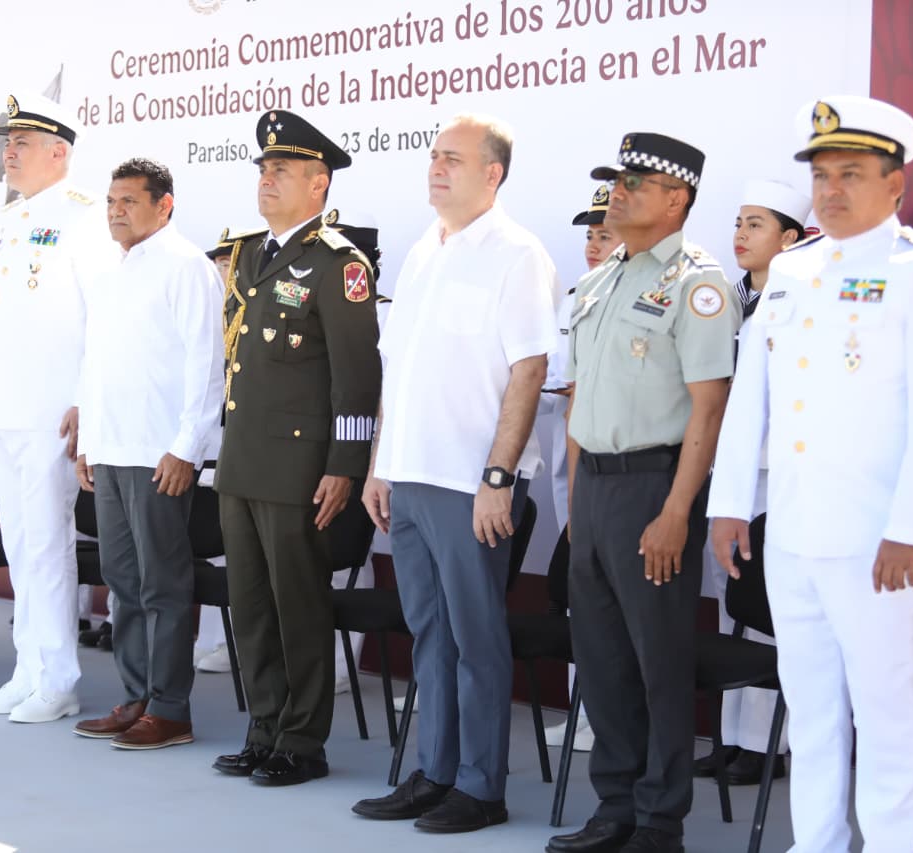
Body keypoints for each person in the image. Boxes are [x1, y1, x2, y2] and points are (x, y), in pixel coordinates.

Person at [709, 96, 913, 852]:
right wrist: (730, 504)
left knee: (887, 709)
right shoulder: (794, 270)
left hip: (876, 544)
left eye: (852, 174)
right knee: (812, 707)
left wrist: (908, 527)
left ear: (897, 186)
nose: (830, 190)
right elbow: (750, 399)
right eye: (823, 174)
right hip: (794, 535)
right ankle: (818, 842)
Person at [351, 113, 558, 833]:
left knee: (475, 637)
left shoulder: (517, 253)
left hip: (472, 482)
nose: (436, 168)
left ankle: (480, 784)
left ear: (493, 173)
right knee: (428, 634)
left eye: (454, 159)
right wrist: (381, 466)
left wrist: (499, 477)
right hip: (408, 476)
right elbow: (396, 370)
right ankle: (433, 771)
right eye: (433, 156)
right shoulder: (420, 253)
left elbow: (530, 368)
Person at [549, 132, 740, 853]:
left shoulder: (697, 283)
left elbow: (709, 407)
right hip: (595, 491)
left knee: (657, 657)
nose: (618, 191)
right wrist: (573, 502)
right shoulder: (598, 280)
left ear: (675, 199)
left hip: (655, 488)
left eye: (635, 181)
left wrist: (676, 510)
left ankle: (661, 820)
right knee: (601, 656)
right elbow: (580, 400)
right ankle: (616, 805)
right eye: (616, 178)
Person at [210, 109, 381, 787]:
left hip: (300, 469)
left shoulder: (339, 263)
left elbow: (356, 377)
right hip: (244, 459)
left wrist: (344, 465)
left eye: (283, 169)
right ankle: (263, 728)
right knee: (249, 604)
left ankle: (301, 741)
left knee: (297, 605)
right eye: (263, 168)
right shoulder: (251, 253)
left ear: (320, 182)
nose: (267, 179)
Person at [0, 92, 116, 724]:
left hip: (51, 409)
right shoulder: (9, 220)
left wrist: (86, 400)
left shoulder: (84, 216)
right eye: (8, 141)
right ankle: (28, 669)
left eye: (22, 142)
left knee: (48, 540)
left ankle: (56, 678)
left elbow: (102, 316)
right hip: (7, 406)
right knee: (22, 543)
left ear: (60, 151)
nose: (10, 151)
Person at [70, 158, 223, 749]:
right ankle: (135, 697)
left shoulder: (186, 266)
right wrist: (89, 442)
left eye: (129, 201)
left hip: (158, 453)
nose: (115, 212)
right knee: (122, 582)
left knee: (161, 584)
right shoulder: (110, 269)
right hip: (112, 448)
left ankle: (171, 709)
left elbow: (206, 366)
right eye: (111, 202)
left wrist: (187, 448)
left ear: (165, 205)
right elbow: (96, 364)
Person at [695, 178, 810, 787]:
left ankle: (772, 744)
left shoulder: (806, 298)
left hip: (779, 471)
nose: (740, 234)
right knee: (729, 601)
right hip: (726, 471)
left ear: (790, 237)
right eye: (738, 222)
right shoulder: (724, 296)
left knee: (771, 609)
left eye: (756, 225)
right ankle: (733, 738)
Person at [542, 183, 619, 753]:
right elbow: (547, 382)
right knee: (580, 584)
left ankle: (608, 713)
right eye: (589, 236)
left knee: (610, 593)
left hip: (614, 461)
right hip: (563, 450)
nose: (594, 245)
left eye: (605, 233)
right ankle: (581, 709)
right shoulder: (573, 298)